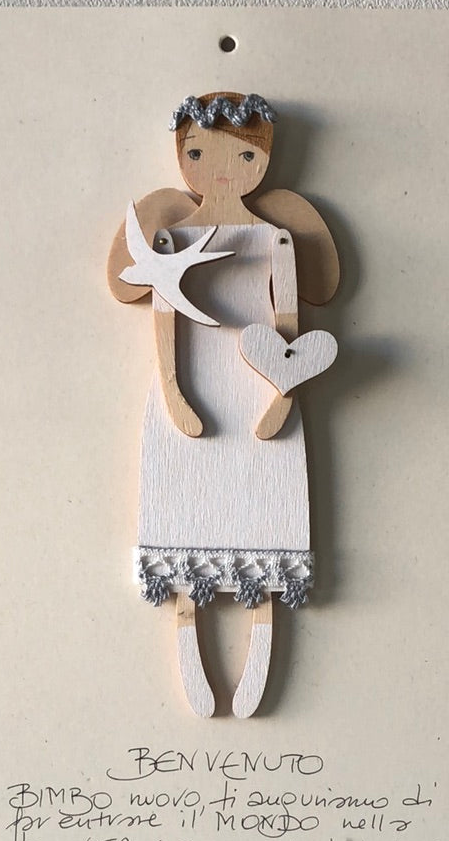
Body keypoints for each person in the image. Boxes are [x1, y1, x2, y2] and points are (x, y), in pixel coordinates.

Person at [107, 92, 339, 717]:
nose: (221, 171)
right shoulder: (168, 239)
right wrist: (174, 393)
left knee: (266, 513)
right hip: (193, 394)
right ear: (181, 157)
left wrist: (282, 394)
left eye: (243, 156)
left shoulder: (278, 239)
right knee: (190, 510)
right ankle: (190, 640)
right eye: (199, 154)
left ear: (264, 160)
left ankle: (262, 647)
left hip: (264, 393)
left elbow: (287, 320)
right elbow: (165, 324)